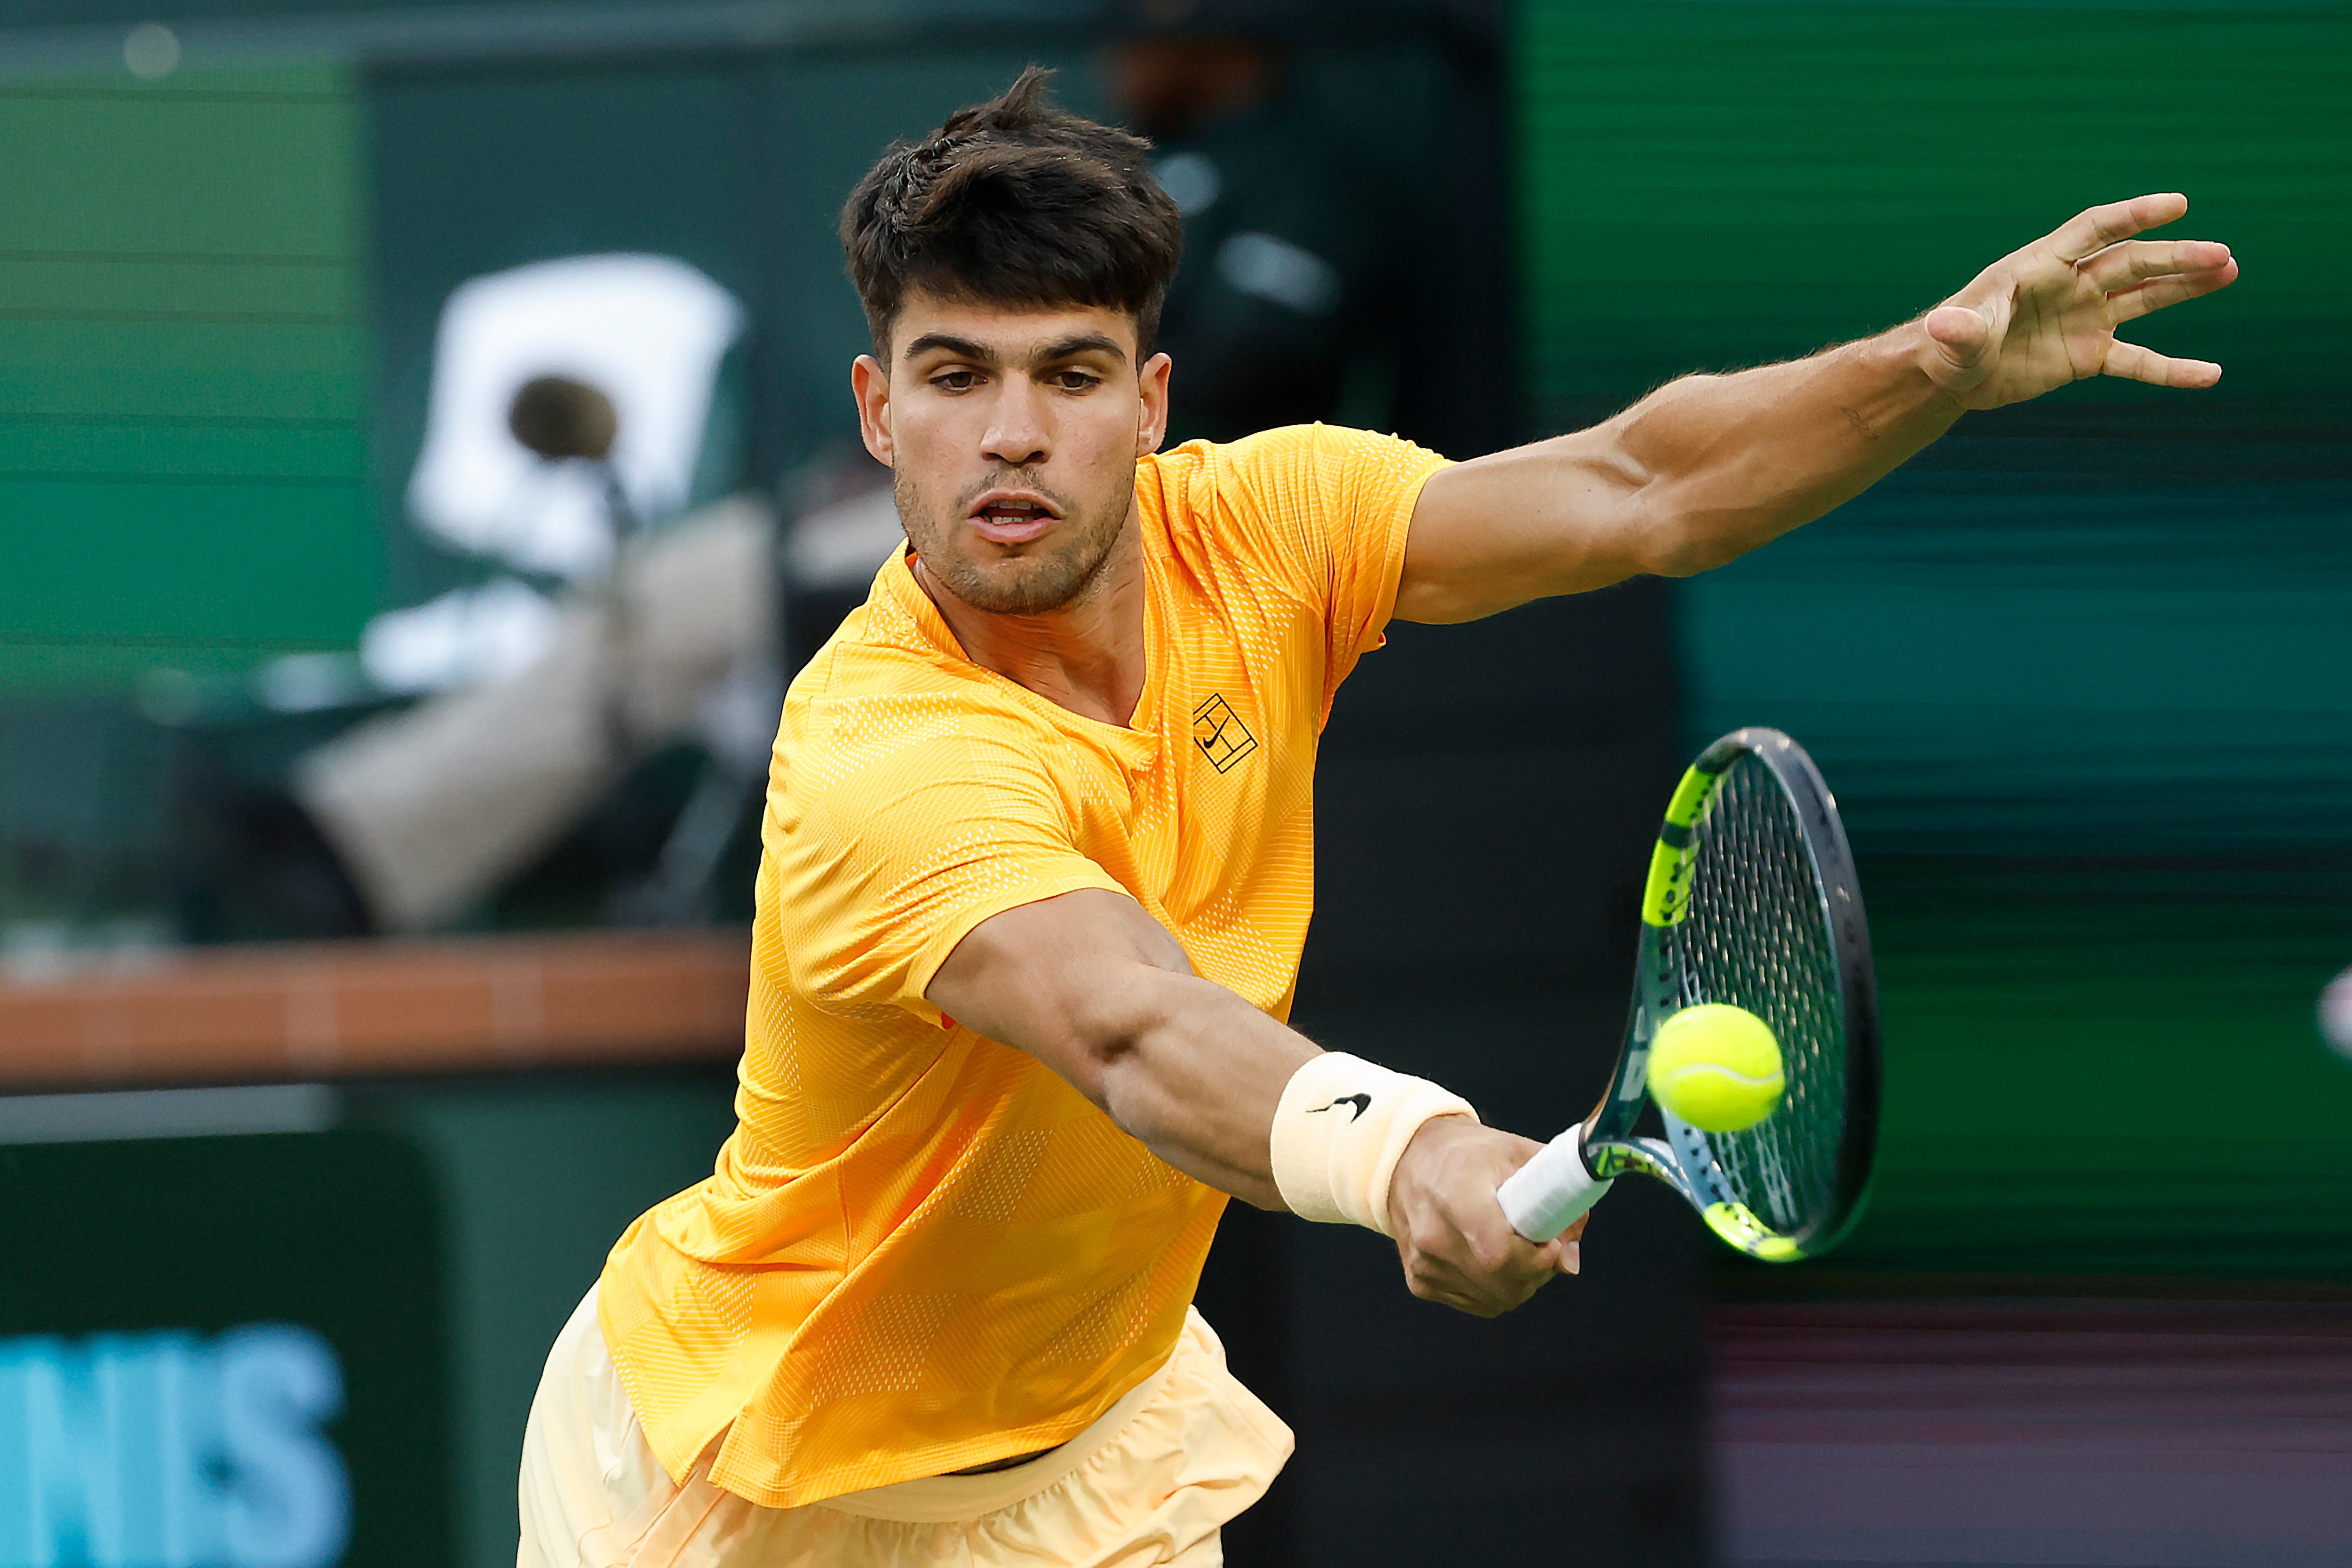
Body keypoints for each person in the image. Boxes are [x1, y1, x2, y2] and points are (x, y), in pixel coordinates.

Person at [516, 69, 2235, 1568]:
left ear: (1155, 403)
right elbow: (1127, 1027)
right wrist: (1410, 1152)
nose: (1013, 438)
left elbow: (1646, 484)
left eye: (1071, 375)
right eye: (956, 378)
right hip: (748, 1489)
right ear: (881, 413)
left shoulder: (1267, 530)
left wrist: (1923, 371)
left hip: (1090, 1462)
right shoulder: (879, 747)